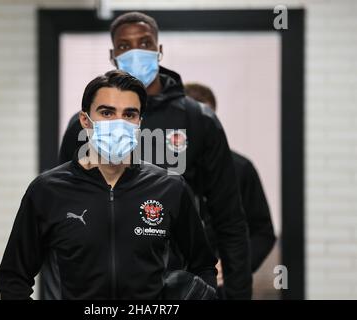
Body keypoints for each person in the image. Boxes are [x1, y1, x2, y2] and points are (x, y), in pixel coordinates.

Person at [58, 12, 252, 299]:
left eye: (145, 43)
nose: (135, 52)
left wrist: (236, 294)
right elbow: (60, 212)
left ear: (159, 50)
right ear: (113, 55)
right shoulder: (83, 125)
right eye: (124, 46)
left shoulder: (199, 120)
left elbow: (230, 218)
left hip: (177, 283)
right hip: (99, 287)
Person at [0, 70, 218, 300]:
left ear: (139, 123)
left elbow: (203, 265)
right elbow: (14, 276)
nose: (118, 123)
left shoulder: (170, 188)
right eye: (107, 112)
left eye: (129, 114)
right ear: (85, 120)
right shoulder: (47, 191)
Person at [184, 82, 276, 291]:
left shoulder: (241, 168)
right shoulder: (159, 168)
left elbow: (263, 232)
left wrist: (233, 265)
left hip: (223, 288)